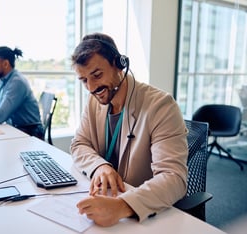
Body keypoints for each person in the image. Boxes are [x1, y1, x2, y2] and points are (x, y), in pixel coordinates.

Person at [70, 33, 188, 227]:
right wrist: (100, 166)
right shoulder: (94, 100)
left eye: (97, 75)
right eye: (83, 80)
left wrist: (122, 206)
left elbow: (174, 178)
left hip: (145, 213)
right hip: (104, 203)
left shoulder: (161, 106)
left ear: (119, 64)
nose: (91, 87)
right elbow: (79, 144)